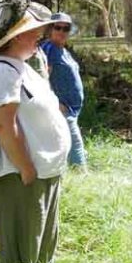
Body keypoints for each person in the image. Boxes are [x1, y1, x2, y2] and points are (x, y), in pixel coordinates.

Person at [0, 3, 72, 263]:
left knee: (42, 244)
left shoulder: (19, 66)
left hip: (43, 171)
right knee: (22, 251)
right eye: (34, 31)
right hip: (20, 175)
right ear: (17, 35)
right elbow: (2, 124)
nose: (40, 36)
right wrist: (26, 168)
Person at [40, 13, 87, 168]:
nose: (61, 31)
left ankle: (65, 172)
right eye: (57, 27)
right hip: (62, 109)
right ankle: (82, 176)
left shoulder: (63, 50)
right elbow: (42, 79)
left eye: (66, 28)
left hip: (72, 109)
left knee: (66, 144)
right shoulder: (49, 49)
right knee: (76, 146)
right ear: (49, 29)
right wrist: (55, 103)